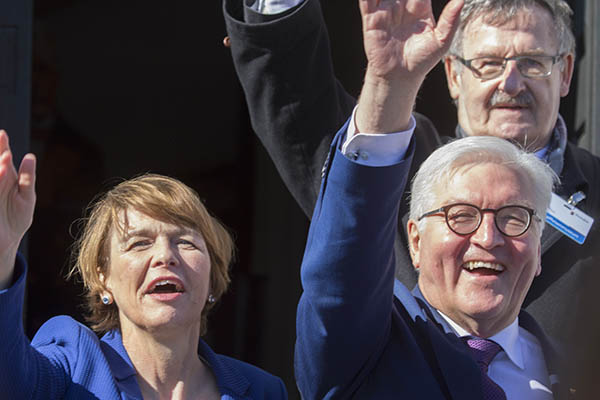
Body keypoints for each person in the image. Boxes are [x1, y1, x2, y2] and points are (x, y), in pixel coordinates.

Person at [223, 0, 600, 347]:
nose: (511, 83)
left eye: (533, 63)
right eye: (489, 64)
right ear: (453, 75)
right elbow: (301, 111)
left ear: (565, 73)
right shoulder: (397, 163)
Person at [295, 3, 568, 396]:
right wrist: (391, 86)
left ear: (538, 248)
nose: (488, 238)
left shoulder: (573, 371)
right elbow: (343, 265)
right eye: (461, 216)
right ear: (416, 241)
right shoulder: (366, 347)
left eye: (513, 218)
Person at [0, 131, 287, 399]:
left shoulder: (263, 391)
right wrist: (3, 251)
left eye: (186, 242)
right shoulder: (72, 366)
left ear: (212, 276)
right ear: (103, 279)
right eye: (139, 243)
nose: (165, 255)